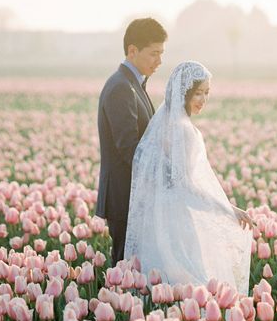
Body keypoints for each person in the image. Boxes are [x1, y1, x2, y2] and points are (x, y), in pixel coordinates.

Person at [124, 61, 253, 294]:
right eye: (197, 93)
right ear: (183, 93)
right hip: (178, 219)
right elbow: (187, 185)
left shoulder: (163, 124)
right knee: (190, 281)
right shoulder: (184, 130)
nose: (203, 100)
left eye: (207, 93)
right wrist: (227, 208)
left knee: (161, 283)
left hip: (157, 215)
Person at [96, 17, 168, 265]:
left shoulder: (134, 84)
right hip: (124, 196)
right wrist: (166, 172)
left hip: (136, 194)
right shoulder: (121, 87)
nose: (160, 61)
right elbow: (130, 148)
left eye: (162, 54)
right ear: (132, 51)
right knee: (124, 270)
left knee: (133, 271)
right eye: (154, 54)